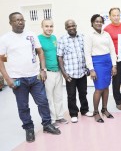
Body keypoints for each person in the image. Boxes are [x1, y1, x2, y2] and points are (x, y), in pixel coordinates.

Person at [0, 12, 60, 143]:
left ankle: (47, 124)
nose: (20, 22)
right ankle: (29, 128)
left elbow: (40, 52)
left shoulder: (31, 35)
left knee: (43, 102)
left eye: (22, 20)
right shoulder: (5, 39)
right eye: (16, 20)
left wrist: (43, 69)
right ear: (10, 23)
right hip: (18, 79)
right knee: (23, 106)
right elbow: (1, 60)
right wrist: (8, 79)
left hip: (35, 76)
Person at [57, 19, 93, 123]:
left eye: (73, 26)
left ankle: (85, 110)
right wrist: (64, 73)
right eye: (69, 26)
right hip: (70, 74)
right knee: (71, 95)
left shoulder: (82, 38)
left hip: (82, 72)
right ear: (66, 28)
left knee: (83, 93)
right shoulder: (62, 40)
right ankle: (73, 114)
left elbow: (87, 54)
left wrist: (87, 68)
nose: (71, 28)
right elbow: (59, 57)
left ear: (76, 26)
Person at [84, 14, 117, 123]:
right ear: (92, 23)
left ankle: (104, 109)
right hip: (97, 63)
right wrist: (91, 69)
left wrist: (114, 65)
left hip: (107, 62)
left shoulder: (106, 34)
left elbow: (112, 50)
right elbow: (87, 54)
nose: (98, 23)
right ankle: (96, 112)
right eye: (96, 21)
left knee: (106, 87)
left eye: (100, 21)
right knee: (99, 88)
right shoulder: (89, 36)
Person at [38, 19, 69, 128]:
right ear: (42, 26)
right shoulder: (39, 39)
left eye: (51, 26)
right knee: (49, 98)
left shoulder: (54, 38)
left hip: (58, 71)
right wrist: (43, 70)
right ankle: (51, 120)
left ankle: (59, 116)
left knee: (58, 96)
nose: (49, 28)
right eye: (46, 26)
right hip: (48, 73)